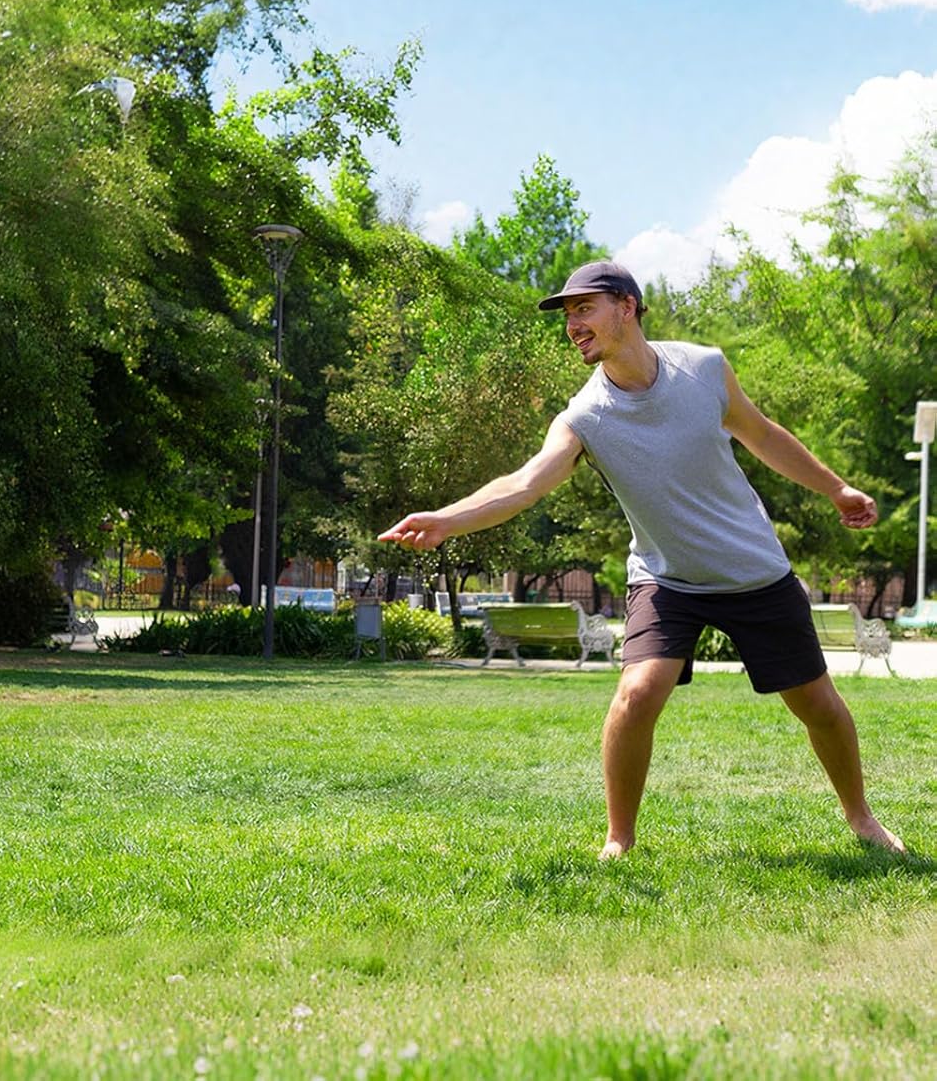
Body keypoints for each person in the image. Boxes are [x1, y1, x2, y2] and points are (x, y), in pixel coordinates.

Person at [379, 259, 904, 860]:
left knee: (816, 705)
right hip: (666, 577)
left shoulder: (703, 368)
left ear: (626, 306)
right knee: (637, 693)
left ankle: (862, 818)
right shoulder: (585, 417)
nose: (573, 325)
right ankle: (619, 839)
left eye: (585, 308)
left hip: (752, 570)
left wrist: (836, 489)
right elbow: (524, 484)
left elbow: (761, 434)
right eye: (568, 314)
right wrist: (446, 520)